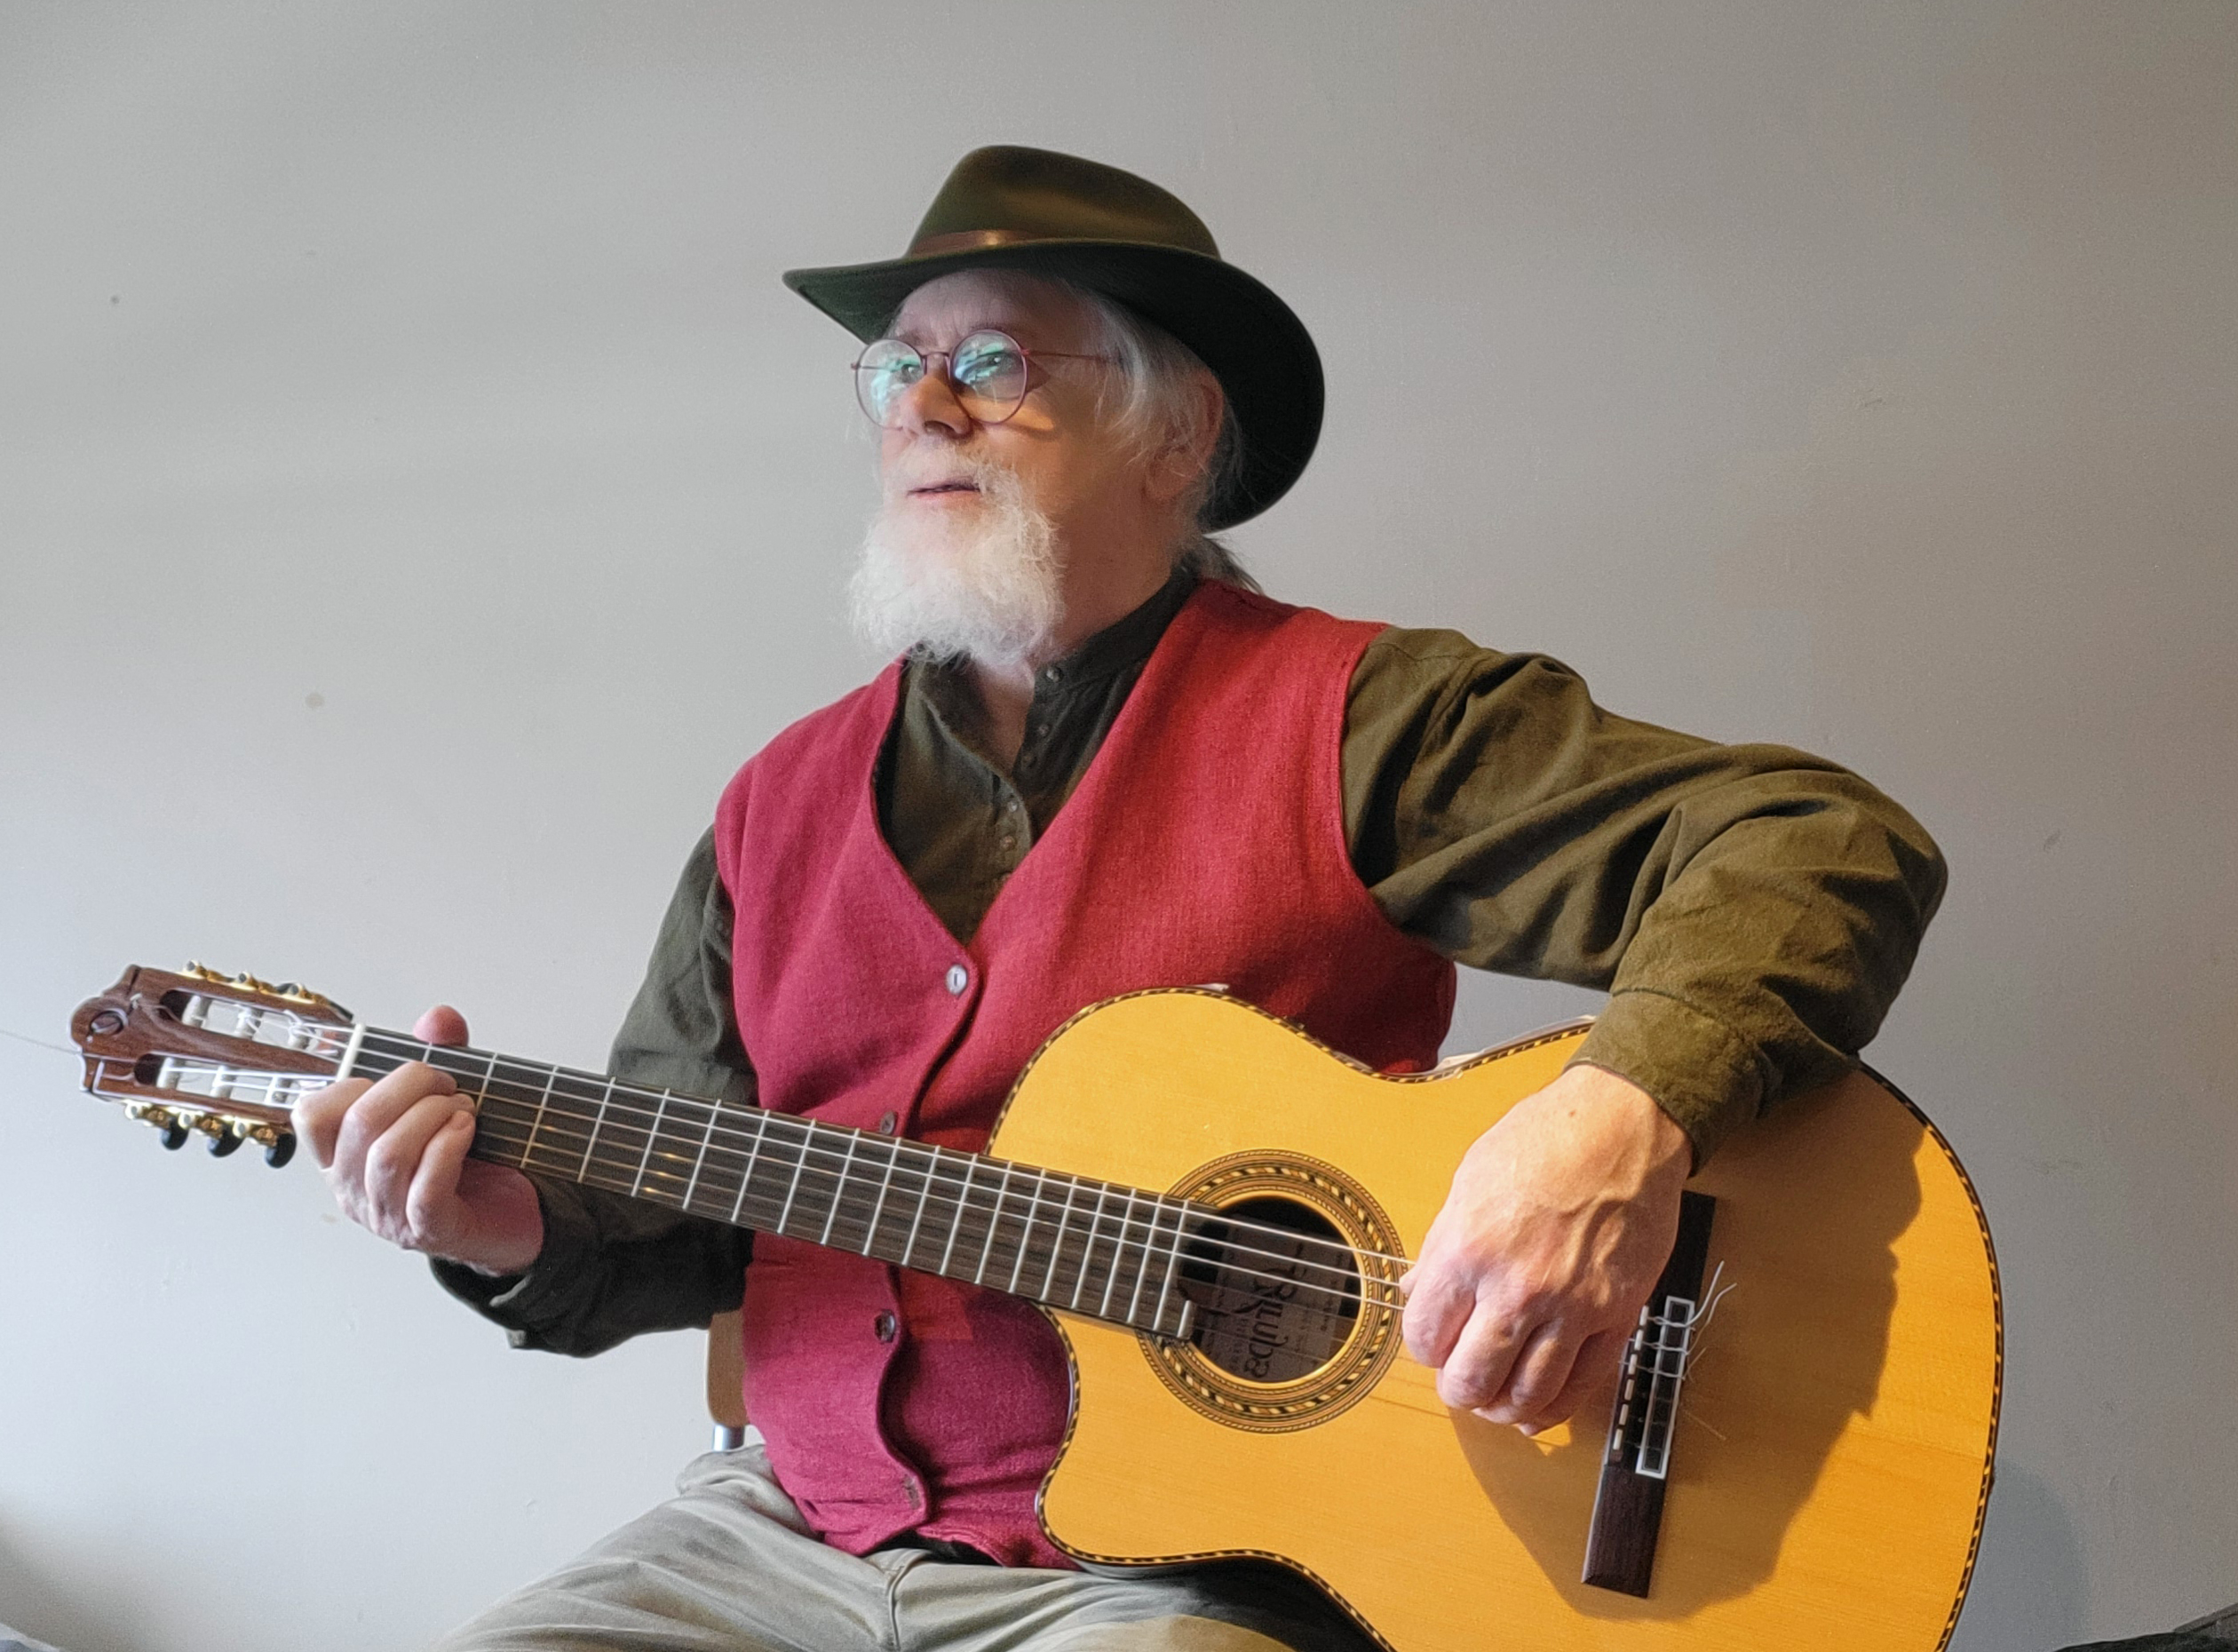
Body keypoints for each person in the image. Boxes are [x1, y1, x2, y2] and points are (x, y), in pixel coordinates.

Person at [295, 147, 1947, 1651]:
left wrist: (1616, 1125)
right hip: (779, 1534)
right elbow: (686, 1209)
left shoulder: (1365, 721)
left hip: (1198, 1573)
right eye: (895, 367)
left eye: (992, 364)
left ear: (1179, 434)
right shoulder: (772, 805)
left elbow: (1812, 841)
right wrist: (504, 1228)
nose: (922, 407)